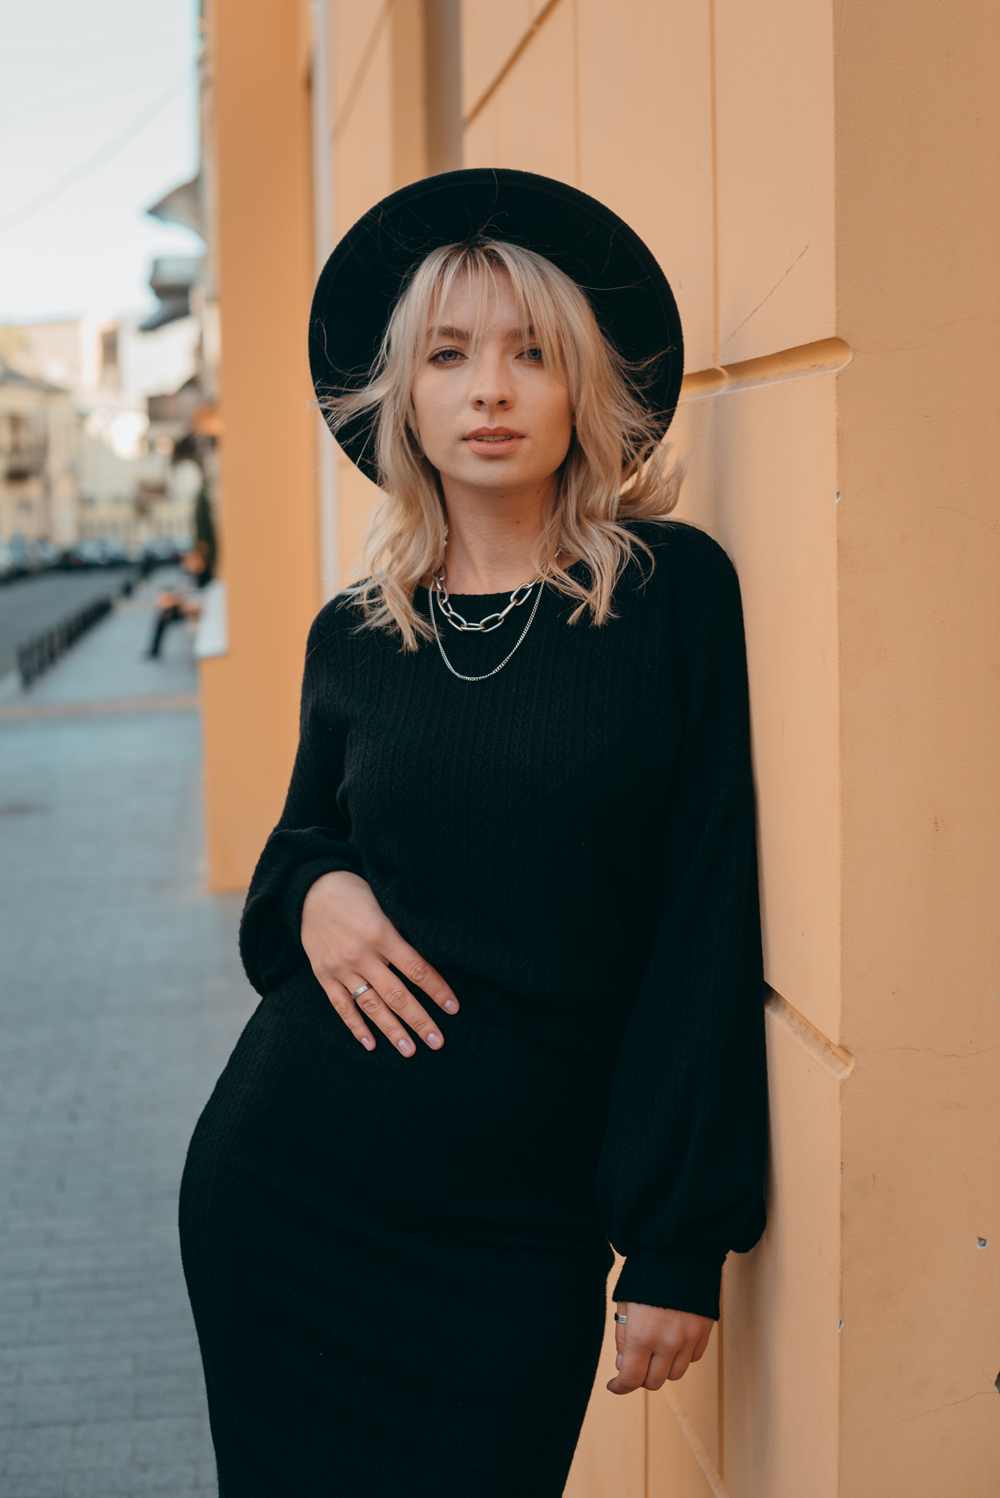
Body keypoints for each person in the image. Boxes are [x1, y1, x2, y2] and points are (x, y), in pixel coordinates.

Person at [179, 168, 768, 1498]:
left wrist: (676, 1245)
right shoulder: (358, 634)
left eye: (531, 353)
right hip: (288, 1190)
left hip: (519, 1230)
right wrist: (318, 884)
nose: (489, 388)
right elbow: (293, 859)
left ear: (586, 388)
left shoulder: (670, 601)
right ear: (405, 397)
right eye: (449, 354)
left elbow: (704, 915)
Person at [144, 542, 212, 659]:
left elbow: (200, 597)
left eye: (191, 560)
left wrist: (177, 600)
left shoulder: (204, 576)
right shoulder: (193, 575)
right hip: (188, 607)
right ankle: (154, 650)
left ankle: (154, 651)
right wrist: (174, 596)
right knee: (164, 612)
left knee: (164, 614)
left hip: (193, 609)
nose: (188, 563)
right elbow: (188, 592)